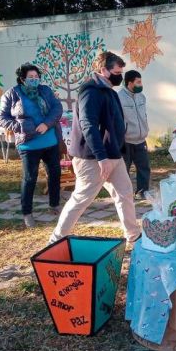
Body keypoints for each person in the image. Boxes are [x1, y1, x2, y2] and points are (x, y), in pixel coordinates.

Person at [49, 51, 141, 245]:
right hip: (93, 159)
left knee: (124, 193)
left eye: (121, 71)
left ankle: (134, 236)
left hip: (113, 155)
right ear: (103, 70)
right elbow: (88, 125)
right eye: (117, 71)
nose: (120, 76)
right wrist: (101, 157)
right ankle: (56, 240)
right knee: (82, 198)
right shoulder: (90, 92)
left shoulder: (109, 90)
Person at [0, 63, 63, 228]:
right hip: (28, 145)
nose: (35, 80)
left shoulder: (45, 90)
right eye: (31, 77)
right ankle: (27, 213)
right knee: (29, 179)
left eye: (36, 77)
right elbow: (2, 118)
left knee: (55, 174)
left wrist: (47, 124)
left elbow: (57, 108)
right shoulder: (12, 94)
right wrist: (22, 127)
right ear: (22, 79)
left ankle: (54, 205)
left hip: (50, 141)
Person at [117, 70, 150, 199]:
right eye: (138, 82)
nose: (141, 84)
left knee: (144, 168)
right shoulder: (119, 97)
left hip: (141, 139)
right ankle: (124, 194)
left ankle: (143, 192)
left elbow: (144, 116)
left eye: (141, 81)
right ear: (129, 83)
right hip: (126, 141)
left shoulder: (141, 97)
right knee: (124, 169)